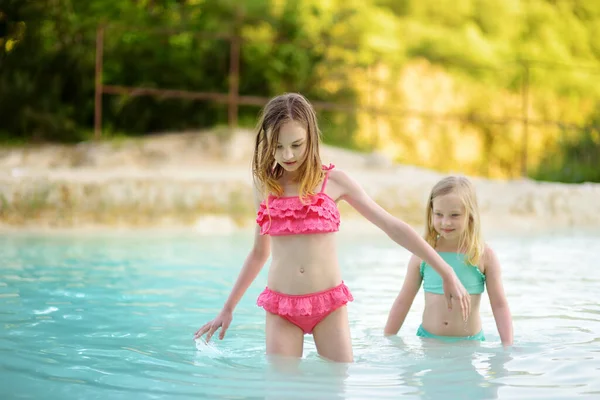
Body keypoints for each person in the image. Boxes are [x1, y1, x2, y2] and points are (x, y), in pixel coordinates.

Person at [194, 93, 471, 362]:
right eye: (277, 146)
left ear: (311, 138)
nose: (287, 155)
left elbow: (391, 226)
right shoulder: (265, 185)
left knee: (337, 386)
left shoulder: (335, 181)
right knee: (281, 390)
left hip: (328, 306)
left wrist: (444, 270)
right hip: (282, 308)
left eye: (296, 145)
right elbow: (259, 253)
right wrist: (227, 309)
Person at [384, 176, 513, 346]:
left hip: (469, 345)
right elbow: (403, 300)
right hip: (429, 341)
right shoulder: (423, 253)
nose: (446, 222)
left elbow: (499, 305)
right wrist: (388, 337)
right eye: (438, 214)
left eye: (454, 215)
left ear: (470, 215)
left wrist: (507, 346)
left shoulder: (482, 255)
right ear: (431, 213)